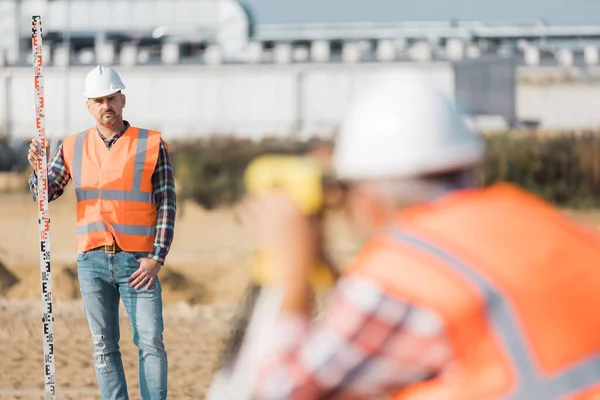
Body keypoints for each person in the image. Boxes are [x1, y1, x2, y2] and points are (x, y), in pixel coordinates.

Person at [239, 74, 600, 399]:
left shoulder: (405, 278)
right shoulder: (538, 225)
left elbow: (279, 392)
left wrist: (295, 276)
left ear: (370, 202)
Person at [28, 65, 176, 400]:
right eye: (98, 100)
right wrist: (37, 168)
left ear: (122, 99)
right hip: (92, 262)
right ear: (89, 106)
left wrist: (157, 257)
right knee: (103, 347)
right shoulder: (72, 146)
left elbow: (167, 204)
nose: (105, 105)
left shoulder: (151, 143)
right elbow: (46, 194)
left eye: (111, 98)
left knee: (151, 342)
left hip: (139, 264)